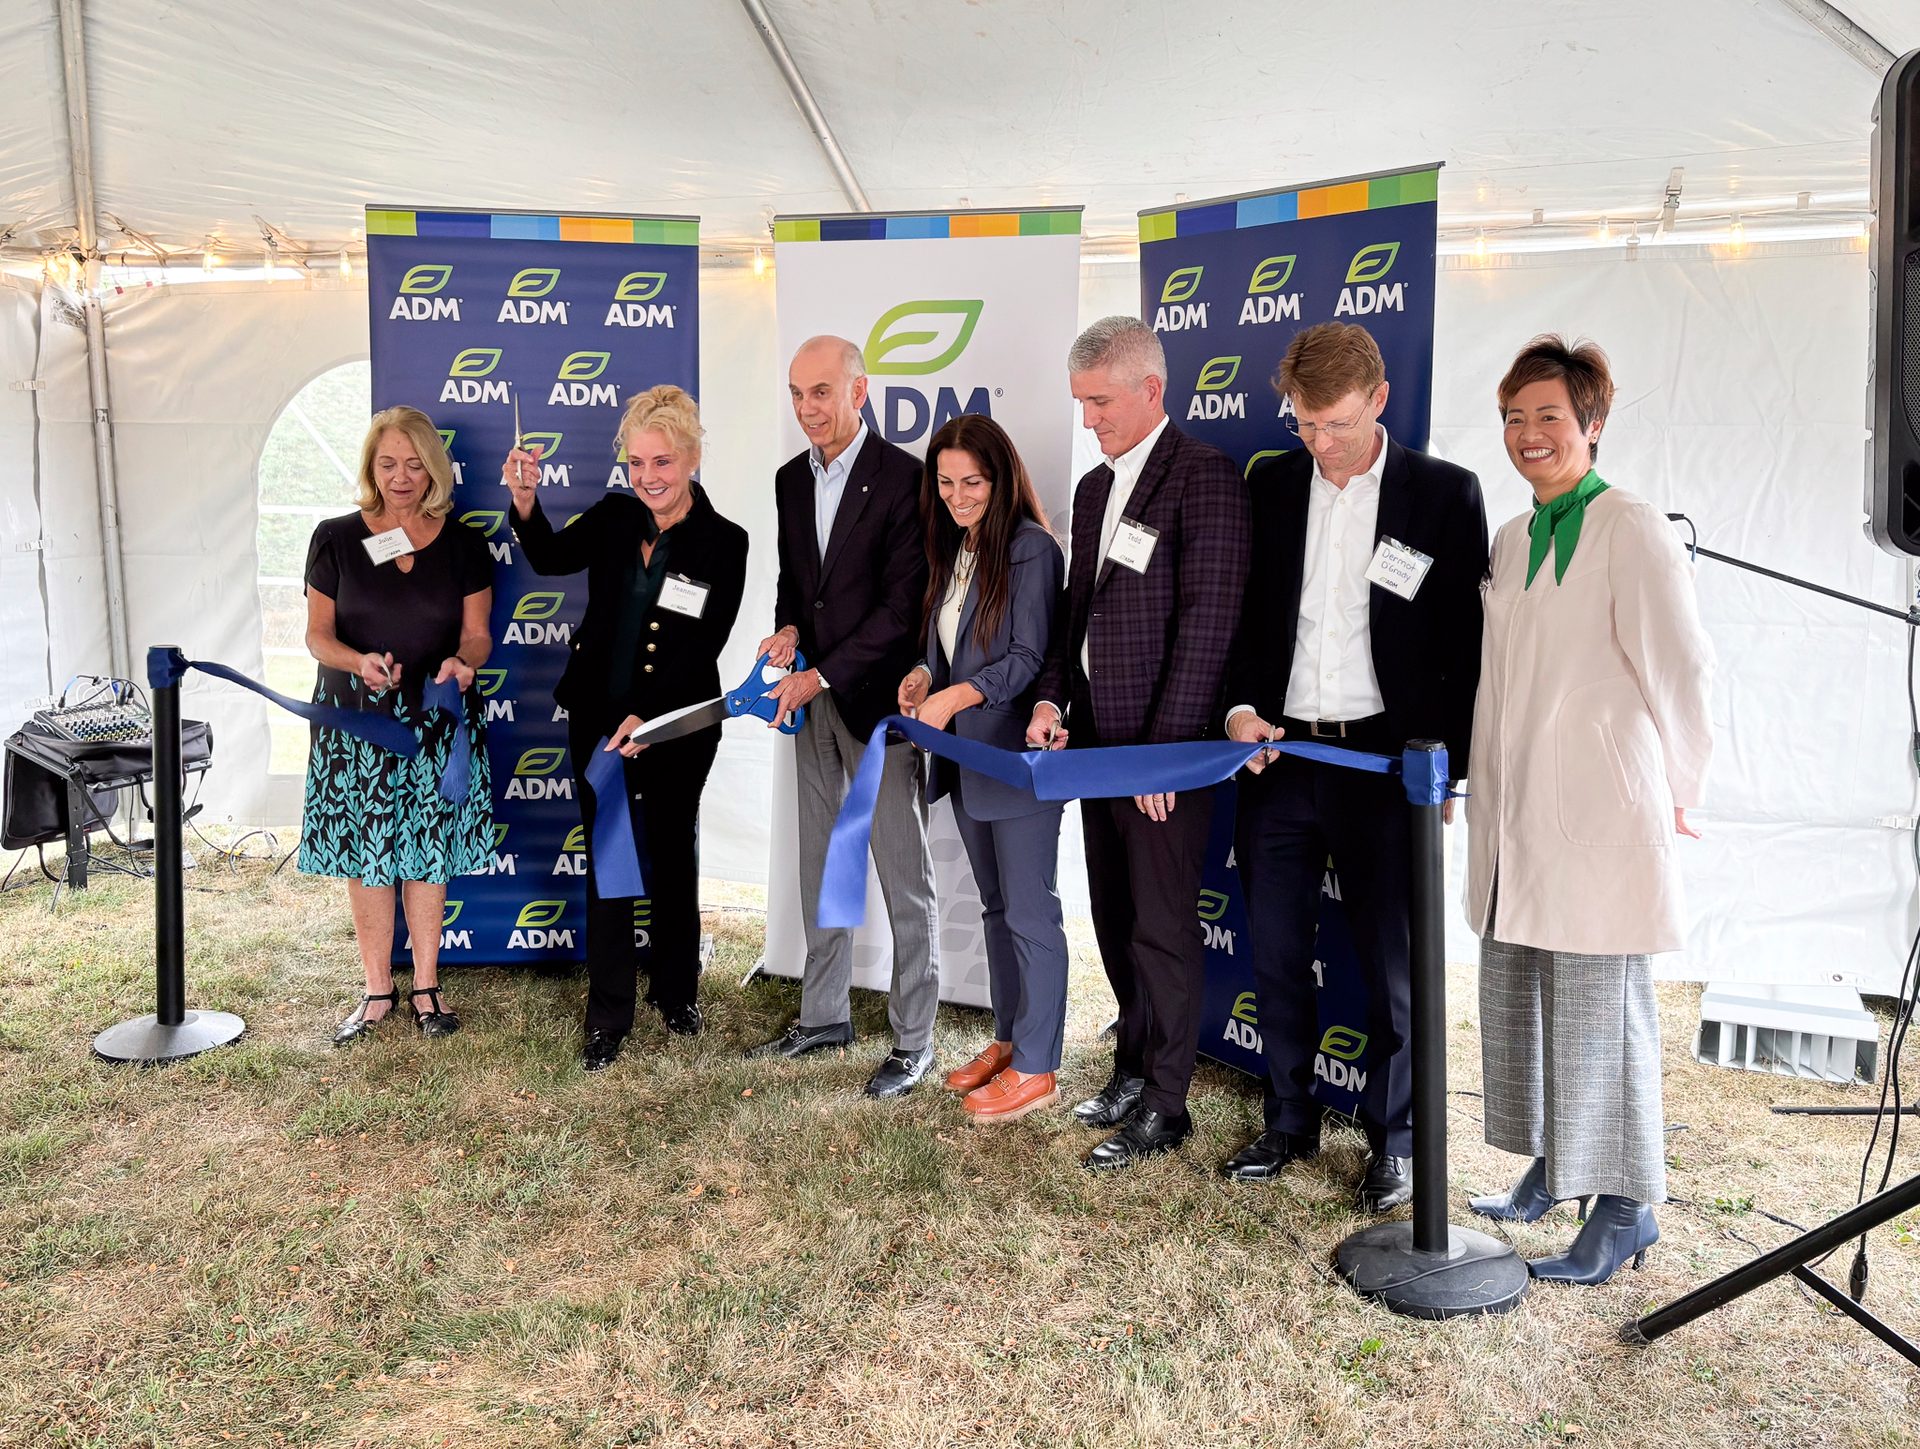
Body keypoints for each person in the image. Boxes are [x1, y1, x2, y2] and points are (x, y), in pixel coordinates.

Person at [1221, 322, 1489, 1212]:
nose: (1320, 443)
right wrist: (1238, 709)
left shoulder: (1445, 494)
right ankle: (1288, 1118)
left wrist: (1442, 765)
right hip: (1282, 752)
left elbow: (1465, 643)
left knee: (1395, 963)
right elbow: (1249, 615)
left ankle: (1397, 1141)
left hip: (1384, 762)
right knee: (1275, 950)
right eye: (1303, 422)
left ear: (1378, 400)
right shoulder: (1274, 481)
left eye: (1335, 423)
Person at [1465, 335, 1713, 1284]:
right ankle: (1553, 1167)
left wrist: (1684, 790)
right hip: (1518, 809)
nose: (1529, 435)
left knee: (1601, 1011)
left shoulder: (1633, 528)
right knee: (1527, 992)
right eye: (1515, 418)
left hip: (1601, 809)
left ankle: (1623, 1208)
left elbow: (1683, 672)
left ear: (1593, 425)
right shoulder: (1515, 535)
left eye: (1549, 418)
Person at [1028, 315, 1251, 1169]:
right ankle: (1128, 1066)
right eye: (1081, 403)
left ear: (1151, 389)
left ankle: (1167, 1103)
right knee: (1113, 916)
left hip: (1162, 758)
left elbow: (1209, 628)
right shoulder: (1091, 491)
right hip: (1095, 749)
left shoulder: (1205, 478)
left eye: (1101, 401)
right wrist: (1051, 699)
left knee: (1162, 930)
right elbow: (1074, 614)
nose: (1089, 419)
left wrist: (1161, 755)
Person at [503, 385, 747, 1071]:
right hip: (598, 724)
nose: (649, 477)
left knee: (672, 856)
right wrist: (525, 502)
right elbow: (548, 556)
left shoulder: (726, 542)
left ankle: (677, 992)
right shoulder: (613, 517)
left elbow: (704, 644)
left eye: (663, 461)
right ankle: (608, 1015)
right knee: (609, 860)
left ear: (692, 456)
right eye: (637, 463)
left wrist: (652, 716)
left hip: (678, 727)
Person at [748, 336, 941, 1099]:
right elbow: (799, 583)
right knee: (823, 865)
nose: (807, 409)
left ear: (861, 392)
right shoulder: (790, 480)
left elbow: (903, 609)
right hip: (812, 703)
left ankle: (914, 1037)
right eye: (797, 393)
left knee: (904, 876)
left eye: (821, 392)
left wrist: (823, 671)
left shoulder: (907, 480)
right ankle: (823, 1013)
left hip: (880, 707)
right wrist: (789, 632)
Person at [300, 405, 494, 1045]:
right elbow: (317, 638)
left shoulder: (464, 542)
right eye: (388, 463)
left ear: (433, 468)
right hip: (357, 726)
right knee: (370, 857)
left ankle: (428, 987)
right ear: (370, 467)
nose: (401, 476)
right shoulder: (334, 538)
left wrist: (461, 665)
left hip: (437, 721)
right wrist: (360, 662)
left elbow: (477, 637)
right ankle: (377, 989)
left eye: (414, 463)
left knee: (429, 852)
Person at [896, 415, 1068, 1123]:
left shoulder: (1030, 548)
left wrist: (956, 696)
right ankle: (1008, 1038)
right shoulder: (958, 548)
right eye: (946, 482)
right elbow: (949, 642)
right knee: (997, 908)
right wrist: (920, 675)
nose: (959, 494)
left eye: (972, 481)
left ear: (1000, 479)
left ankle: (1039, 1065)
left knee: (1030, 912)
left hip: (1013, 757)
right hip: (965, 762)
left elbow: (1027, 657)